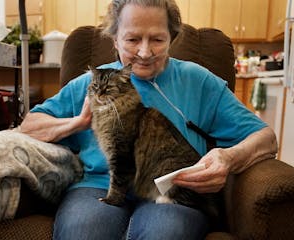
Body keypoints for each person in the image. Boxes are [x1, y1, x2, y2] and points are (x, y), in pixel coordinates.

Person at [20, 0, 278, 239]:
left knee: (165, 233)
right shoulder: (92, 84)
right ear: (115, 40)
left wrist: (228, 159)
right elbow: (29, 126)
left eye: (157, 39)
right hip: (99, 186)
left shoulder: (198, 81)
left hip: (172, 189)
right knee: (83, 232)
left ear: (172, 38)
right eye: (132, 39)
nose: (144, 52)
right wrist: (76, 123)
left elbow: (266, 138)